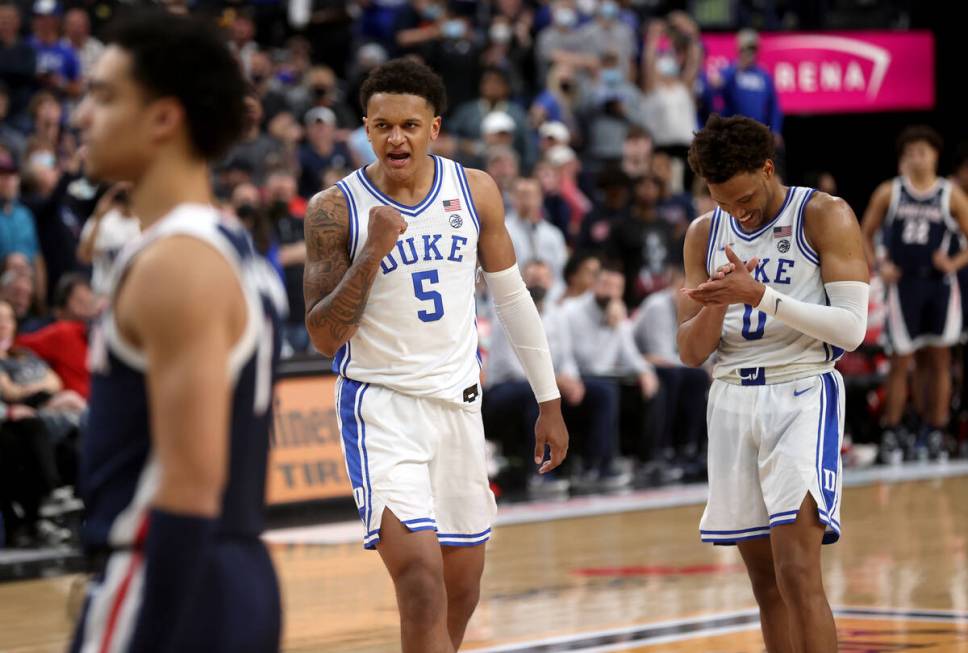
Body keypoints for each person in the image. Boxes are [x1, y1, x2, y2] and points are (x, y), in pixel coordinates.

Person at [303, 58, 568, 653]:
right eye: (382, 125)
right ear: (365, 130)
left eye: (410, 125)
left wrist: (547, 400)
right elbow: (323, 336)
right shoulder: (334, 209)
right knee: (420, 585)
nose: (396, 138)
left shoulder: (475, 190)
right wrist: (371, 253)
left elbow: (513, 299)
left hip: (458, 408)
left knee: (461, 591)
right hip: (383, 409)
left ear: (435, 127)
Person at [68, 12, 283, 652]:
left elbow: (190, 485)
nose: (84, 116)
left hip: (167, 573)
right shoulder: (227, 247)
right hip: (236, 576)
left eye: (105, 97)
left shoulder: (175, 263)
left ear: (163, 118)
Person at [679, 114, 869, 653]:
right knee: (765, 585)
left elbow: (852, 330)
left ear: (767, 169)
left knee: (798, 572)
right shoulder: (702, 234)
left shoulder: (823, 215)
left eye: (743, 197)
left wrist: (758, 295)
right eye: (722, 201)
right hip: (732, 397)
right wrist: (716, 302)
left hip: (802, 390)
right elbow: (691, 352)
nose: (736, 211)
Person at [860, 126, 968, 462]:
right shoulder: (889, 192)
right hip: (903, 285)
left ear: (935, 155)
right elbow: (864, 233)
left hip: (939, 286)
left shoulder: (949, 193)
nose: (916, 157)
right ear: (902, 158)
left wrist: (954, 263)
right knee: (901, 361)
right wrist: (879, 266)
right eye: (910, 152)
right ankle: (892, 431)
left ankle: (934, 429)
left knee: (938, 361)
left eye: (923, 151)